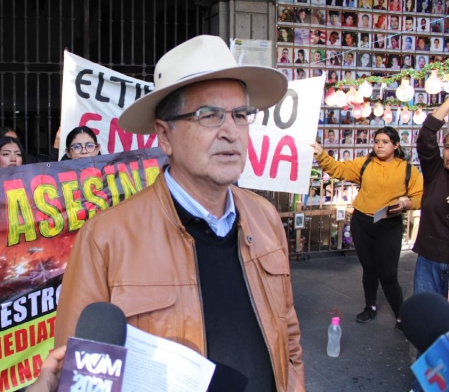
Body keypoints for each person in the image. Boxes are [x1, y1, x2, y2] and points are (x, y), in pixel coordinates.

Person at [54, 35, 306, 391]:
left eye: (240, 115)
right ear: (164, 136)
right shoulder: (107, 238)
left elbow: (290, 338)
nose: (231, 132)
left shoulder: (265, 218)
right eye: (209, 115)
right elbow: (80, 379)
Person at [312, 127, 423, 331]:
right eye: (377, 141)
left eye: (385, 142)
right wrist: (321, 154)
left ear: (396, 145)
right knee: (369, 268)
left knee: (388, 273)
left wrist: (407, 204)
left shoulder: (408, 170)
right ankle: (370, 306)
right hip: (362, 222)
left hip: (389, 225)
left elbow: (420, 195)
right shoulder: (364, 164)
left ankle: (401, 316)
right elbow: (338, 169)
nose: (379, 145)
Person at [412, 98, 449, 299]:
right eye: (448, 147)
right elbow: (426, 136)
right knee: (427, 319)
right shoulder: (436, 172)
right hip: (428, 259)